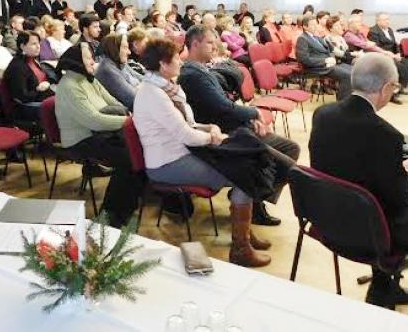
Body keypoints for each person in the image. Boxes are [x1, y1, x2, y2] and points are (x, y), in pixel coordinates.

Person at [309, 53, 408, 328]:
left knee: (372, 199)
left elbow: (348, 168)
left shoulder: (323, 115)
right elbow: (400, 199)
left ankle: (382, 288)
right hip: (369, 234)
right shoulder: (385, 134)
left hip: (329, 220)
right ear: (386, 88)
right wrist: (406, 171)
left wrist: (391, 169)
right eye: (395, 87)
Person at [134, 38, 271, 267]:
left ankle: (244, 232)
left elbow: (188, 124)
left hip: (184, 153)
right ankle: (241, 247)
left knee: (247, 161)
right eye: (176, 58)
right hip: (167, 164)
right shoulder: (153, 95)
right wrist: (213, 137)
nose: (181, 61)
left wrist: (209, 128)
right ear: (163, 65)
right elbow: (186, 135)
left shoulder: (166, 88)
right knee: (244, 174)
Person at [178, 25, 300, 226]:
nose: (215, 47)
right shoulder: (192, 75)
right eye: (210, 43)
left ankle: (254, 198)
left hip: (236, 127)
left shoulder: (202, 69)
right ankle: (250, 196)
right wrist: (254, 113)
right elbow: (223, 108)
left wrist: (248, 119)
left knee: (291, 148)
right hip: (225, 135)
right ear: (195, 44)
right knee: (287, 166)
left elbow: (228, 100)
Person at [54, 44, 143, 228]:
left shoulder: (89, 79)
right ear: (77, 60)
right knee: (128, 159)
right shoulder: (69, 85)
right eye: (88, 58)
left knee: (139, 151)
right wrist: (129, 121)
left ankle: (127, 205)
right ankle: (109, 216)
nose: (92, 61)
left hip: (101, 132)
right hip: (80, 139)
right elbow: (93, 120)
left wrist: (127, 115)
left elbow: (113, 101)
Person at [296, 16, 352, 100]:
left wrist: (332, 59)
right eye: (312, 25)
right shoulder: (302, 39)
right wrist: (325, 61)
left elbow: (329, 50)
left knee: (353, 71)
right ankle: (343, 102)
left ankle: (350, 98)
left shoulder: (316, 37)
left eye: (316, 24)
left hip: (328, 64)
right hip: (316, 67)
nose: (315, 26)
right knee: (347, 75)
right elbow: (304, 59)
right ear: (305, 26)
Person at [368, 13, 408, 93]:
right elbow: (376, 47)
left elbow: (395, 43)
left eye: (388, 19)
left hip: (393, 55)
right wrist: (392, 56)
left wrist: (398, 53)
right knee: (400, 66)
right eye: (385, 20)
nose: (387, 21)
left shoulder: (389, 30)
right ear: (378, 21)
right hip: (382, 56)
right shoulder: (373, 31)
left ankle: (401, 88)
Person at [94, 33, 142, 111]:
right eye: (125, 48)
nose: (129, 52)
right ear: (115, 49)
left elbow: (142, 78)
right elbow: (134, 99)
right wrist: (143, 87)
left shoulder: (119, 63)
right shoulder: (108, 71)